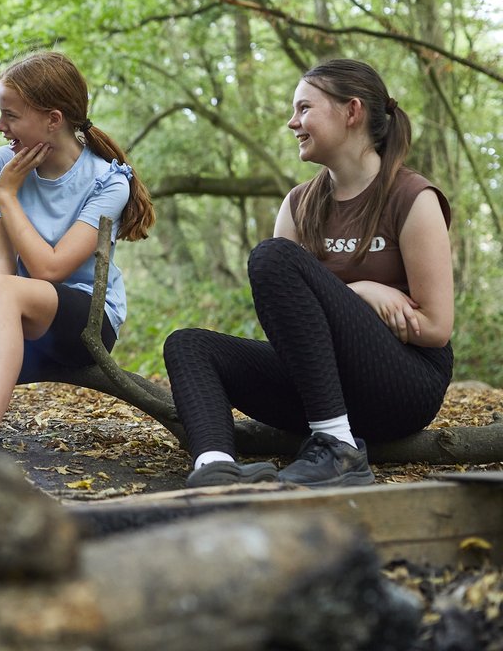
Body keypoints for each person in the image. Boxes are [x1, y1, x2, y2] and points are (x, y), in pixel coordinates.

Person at [163, 58, 455, 488]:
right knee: (188, 345)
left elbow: (435, 327)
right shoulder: (299, 204)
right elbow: (289, 321)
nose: (291, 122)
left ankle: (338, 447)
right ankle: (214, 465)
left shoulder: (412, 197)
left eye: (304, 109)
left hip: (403, 385)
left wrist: (352, 296)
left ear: (351, 112)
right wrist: (362, 289)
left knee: (272, 256)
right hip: (323, 387)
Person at [0, 50, 155, 459]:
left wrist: (8, 194)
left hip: (88, 321)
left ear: (53, 119)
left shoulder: (108, 181)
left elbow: (50, 268)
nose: (1, 127)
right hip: (17, 307)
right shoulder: (1, 162)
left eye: (11, 115)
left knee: (6, 291)